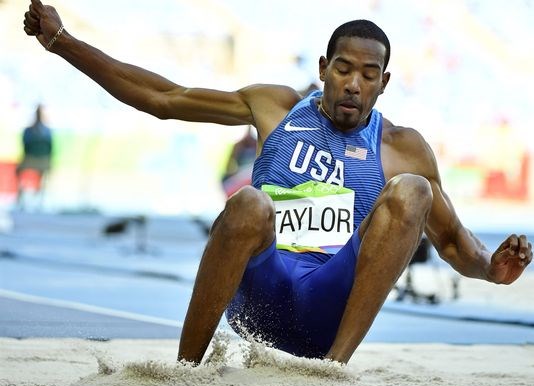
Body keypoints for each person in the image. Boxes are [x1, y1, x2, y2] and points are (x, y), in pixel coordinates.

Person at [24, 0, 532, 365]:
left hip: (330, 310)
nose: (354, 83)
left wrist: (493, 269)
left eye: (369, 74)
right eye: (343, 68)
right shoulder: (275, 107)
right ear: (323, 68)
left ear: (384, 82)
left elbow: (450, 241)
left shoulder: (402, 147)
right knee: (249, 203)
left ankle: (333, 371)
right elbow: (163, 98)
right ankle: (183, 371)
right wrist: (61, 42)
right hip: (258, 300)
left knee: (415, 191)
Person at [15, 104, 53, 209]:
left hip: (30, 159)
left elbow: (24, 146)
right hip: (43, 161)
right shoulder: (47, 131)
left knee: (18, 171)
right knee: (42, 173)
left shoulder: (29, 130)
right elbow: (50, 148)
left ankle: (21, 195)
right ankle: (36, 195)